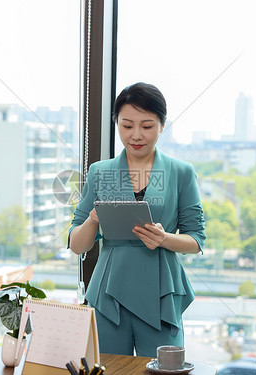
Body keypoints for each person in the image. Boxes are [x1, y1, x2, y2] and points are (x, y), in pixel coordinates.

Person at [68, 82, 206, 357]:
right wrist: (94, 218)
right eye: (127, 125)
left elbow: (196, 240)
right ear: (116, 123)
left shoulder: (181, 172)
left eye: (147, 126)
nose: (136, 135)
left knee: (163, 369)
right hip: (109, 290)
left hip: (160, 291)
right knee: (108, 368)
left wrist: (165, 239)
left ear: (162, 125)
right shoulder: (99, 172)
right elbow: (76, 244)